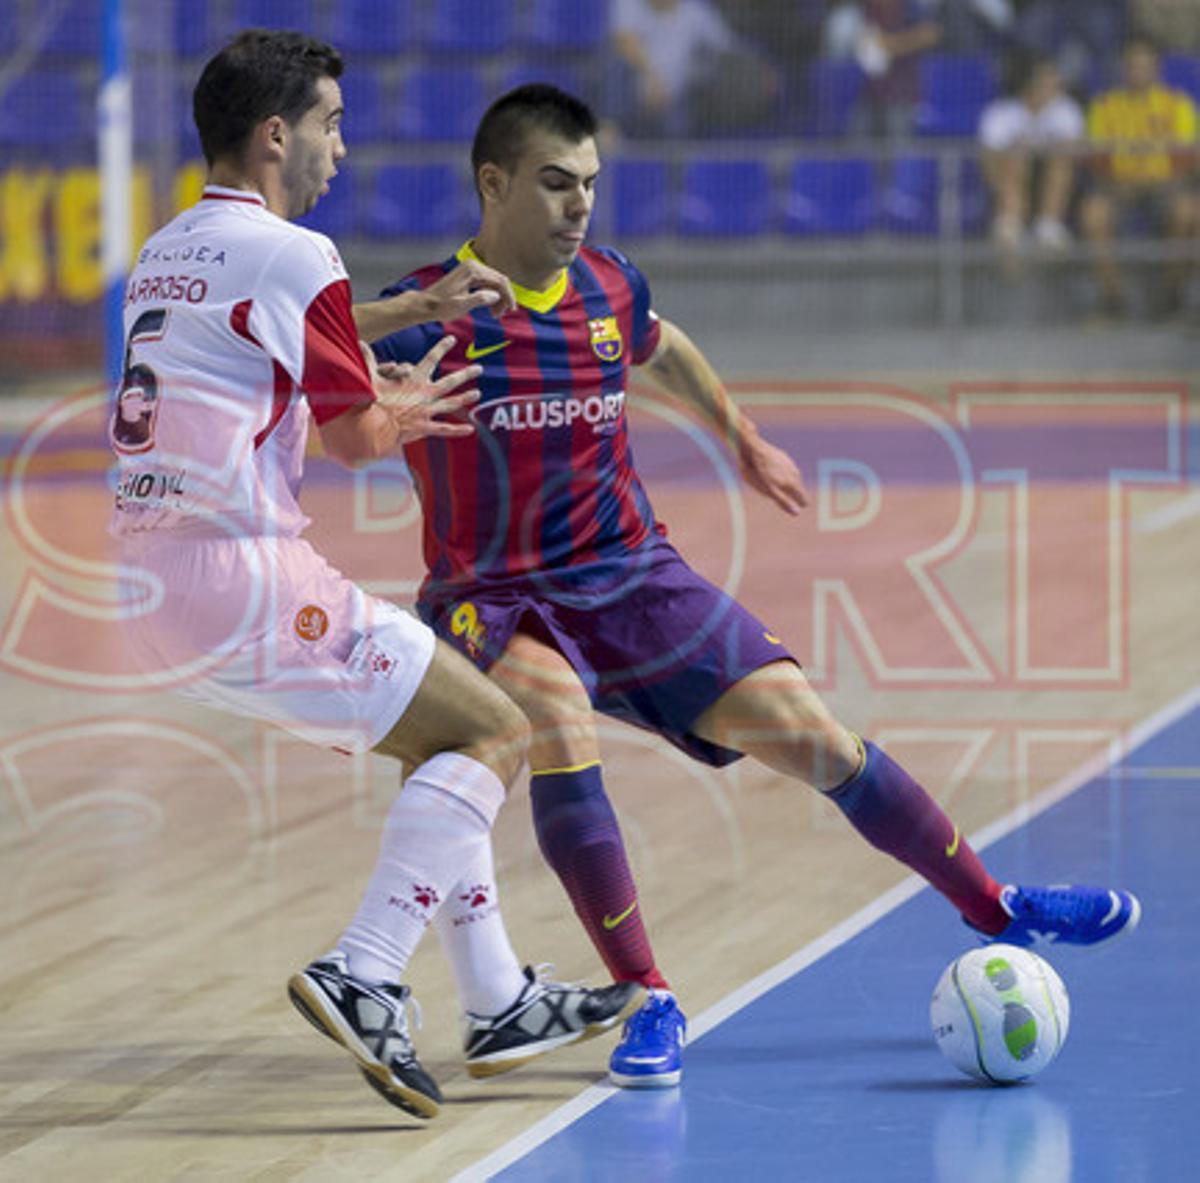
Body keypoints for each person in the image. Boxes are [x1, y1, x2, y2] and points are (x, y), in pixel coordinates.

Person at [366, 84, 1142, 1089]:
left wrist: (742, 438)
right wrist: (373, 417)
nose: (577, 206)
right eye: (556, 184)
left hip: (630, 571)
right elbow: (317, 384)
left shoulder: (609, 287)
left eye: (590, 186)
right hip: (491, 596)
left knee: (818, 737)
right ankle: (650, 996)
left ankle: (999, 906)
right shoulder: (422, 308)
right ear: (493, 183)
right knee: (558, 712)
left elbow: (665, 344)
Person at [108, 34, 641, 1121]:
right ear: (276, 136)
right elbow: (352, 436)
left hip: (152, 584)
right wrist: (409, 410)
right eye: (330, 125)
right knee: (496, 729)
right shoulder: (299, 253)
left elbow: (268, 347)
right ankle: (366, 968)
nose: (340, 149)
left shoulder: (166, 251)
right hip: (241, 573)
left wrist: (415, 310)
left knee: (441, 733)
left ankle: (495, 998)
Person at [1080, 37, 1200, 318]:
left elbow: (1186, 160)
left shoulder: (1178, 105)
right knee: (1092, 214)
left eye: (1144, 66)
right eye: (1132, 66)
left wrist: (1161, 181)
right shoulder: (1105, 106)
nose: (1138, 72)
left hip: (1167, 187)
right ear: (1123, 68)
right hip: (1118, 188)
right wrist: (1118, 183)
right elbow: (1096, 160)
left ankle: (1174, 294)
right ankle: (1113, 298)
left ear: (1157, 68)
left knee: (1188, 212)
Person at [978, 54, 1084, 250]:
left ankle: (1049, 224)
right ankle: (1011, 221)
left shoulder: (1066, 109)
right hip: (1010, 185)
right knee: (1017, 159)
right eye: (1047, 77)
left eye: (1055, 77)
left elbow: (1073, 153)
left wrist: (1038, 148)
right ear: (1029, 82)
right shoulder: (1000, 113)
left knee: (1060, 159)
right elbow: (988, 161)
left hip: (1057, 185)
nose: (1055, 82)